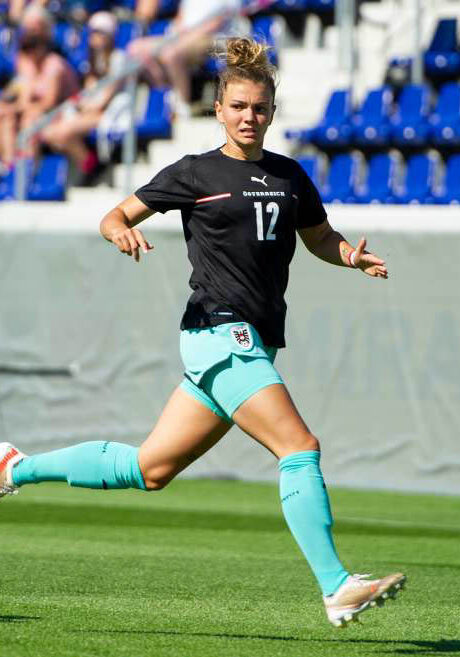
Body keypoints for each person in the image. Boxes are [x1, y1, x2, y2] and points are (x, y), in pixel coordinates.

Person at [0, 36, 405, 627]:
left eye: (259, 107)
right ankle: (336, 586)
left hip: (253, 341)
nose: (249, 117)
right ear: (218, 109)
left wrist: (348, 256)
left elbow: (318, 236)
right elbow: (116, 214)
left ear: (272, 111)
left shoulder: (290, 175)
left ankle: (14, 466)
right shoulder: (196, 172)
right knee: (299, 448)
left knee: (149, 470)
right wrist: (119, 231)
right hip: (219, 333)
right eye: (238, 106)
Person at [40, 11, 130, 183]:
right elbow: (88, 92)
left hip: (110, 112)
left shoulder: (119, 58)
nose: (95, 36)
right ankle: (90, 164)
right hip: (91, 111)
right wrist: (81, 106)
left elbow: (107, 97)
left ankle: (92, 167)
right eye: (93, 32)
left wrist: (85, 107)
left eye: (100, 32)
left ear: (110, 35)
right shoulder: (92, 60)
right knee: (49, 134)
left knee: (61, 133)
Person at [127, 0, 246, 118]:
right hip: (182, 38)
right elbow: (180, 18)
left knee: (171, 54)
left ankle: (183, 106)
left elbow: (215, 24)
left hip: (214, 39)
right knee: (136, 49)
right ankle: (165, 92)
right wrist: (174, 34)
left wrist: (180, 39)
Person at [0, 5, 80, 170]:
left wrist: (19, 107)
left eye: (35, 29)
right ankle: (9, 169)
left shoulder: (55, 63)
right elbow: (24, 96)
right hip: (35, 111)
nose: (31, 36)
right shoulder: (25, 62)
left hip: (63, 113)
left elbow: (49, 103)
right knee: (5, 115)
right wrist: (13, 107)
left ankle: (28, 171)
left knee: (30, 119)